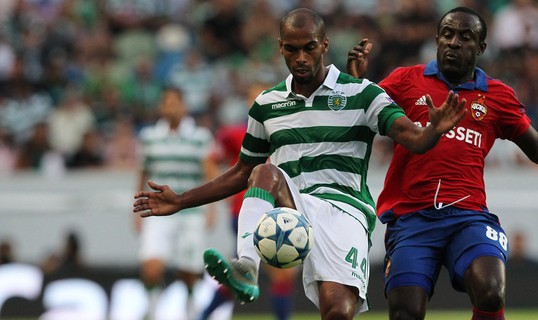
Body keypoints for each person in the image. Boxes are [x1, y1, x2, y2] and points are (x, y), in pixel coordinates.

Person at [133, 8, 465, 320]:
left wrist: (433, 130)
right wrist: (181, 200)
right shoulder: (267, 105)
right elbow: (242, 173)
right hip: (294, 204)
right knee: (265, 171)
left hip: (345, 211)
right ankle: (247, 267)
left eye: (309, 48)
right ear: (280, 48)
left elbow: (412, 138)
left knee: (337, 311)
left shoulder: (362, 93)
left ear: (325, 45)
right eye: (292, 50)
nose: (301, 58)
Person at [346, 6, 538, 320]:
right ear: (437, 39)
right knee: (405, 312)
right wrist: (358, 85)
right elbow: (361, 115)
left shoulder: (498, 96)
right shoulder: (406, 80)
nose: (454, 42)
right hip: (412, 219)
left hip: (468, 216)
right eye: (447, 34)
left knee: (490, 289)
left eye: (465, 36)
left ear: (481, 47)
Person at [199, 121, 298, 320]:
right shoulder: (237, 133)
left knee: (242, 274)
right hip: (250, 209)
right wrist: (224, 194)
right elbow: (210, 159)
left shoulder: (290, 130)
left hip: (279, 211)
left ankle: (202, 316)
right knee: (282, 275)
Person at [134, 86, 218, 319]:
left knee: (188, 272)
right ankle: (152, 312)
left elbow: (210, 173)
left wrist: (212, 209)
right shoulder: (149, 137)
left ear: (183, 105)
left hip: (191, 212)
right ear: (161, 106)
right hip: (157, 212)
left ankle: (190, 313)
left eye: (175, 102)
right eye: (166, 102)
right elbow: (141, 175)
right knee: (151, 268)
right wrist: (135, 214)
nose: (170, 107)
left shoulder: (200, 137)